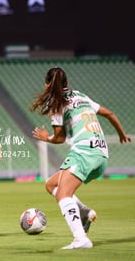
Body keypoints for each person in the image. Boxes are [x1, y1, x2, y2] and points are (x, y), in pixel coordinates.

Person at [30, 67, 131, 249]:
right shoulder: (81, 96)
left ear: (46, 85)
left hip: (84, 152)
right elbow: (110, 114)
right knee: (51, 184)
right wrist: (121, 134)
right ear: (67, 83)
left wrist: (47, 138)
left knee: (63, 194)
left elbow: (60, 138)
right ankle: (84, 213)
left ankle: (81, 239)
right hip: (102, 155)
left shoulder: (56, 103)